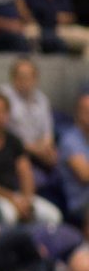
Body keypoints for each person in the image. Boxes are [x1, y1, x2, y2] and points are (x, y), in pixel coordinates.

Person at [0, 91, 59, 227]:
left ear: (7, 115)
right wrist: (11, 198)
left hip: (16, 194)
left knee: (52, 216)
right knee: (8, 216)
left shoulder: (13, 141)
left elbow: (25, 173)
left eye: (1, 111)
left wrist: (27, 199)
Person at [0, 57, 56, 169]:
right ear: (12, 78)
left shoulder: (42, 99)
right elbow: (3, 132)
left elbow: (48, 132)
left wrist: (46, 147)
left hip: (39, 150)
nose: (24, 81)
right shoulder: (3, 96)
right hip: (14, 150)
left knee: (57, 158)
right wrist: (33, 149)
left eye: (28, 77)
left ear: (35, 79)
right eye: (20, 76)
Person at [57, 92, 89, 226]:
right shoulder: (70, 140)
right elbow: (85, 175)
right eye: (86, 111)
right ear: (78, 113)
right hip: (82, 204)